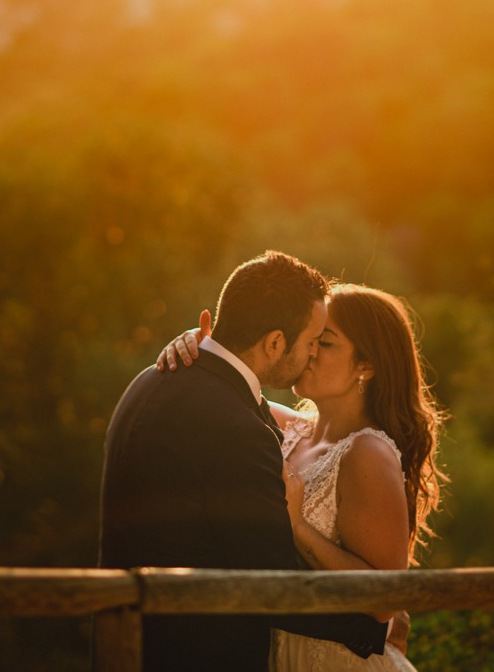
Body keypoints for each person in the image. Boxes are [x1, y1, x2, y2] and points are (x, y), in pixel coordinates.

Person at [98, 251, 388, 672]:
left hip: (120, 649)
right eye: (311, 342)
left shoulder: (148, 381)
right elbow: (271, 587)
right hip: (197, 658)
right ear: (274, 342)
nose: (311, 355)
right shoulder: (237, 431)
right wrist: (373, 627)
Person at [159, 282, 447, 672]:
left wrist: (297, 528)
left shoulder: (368, 454)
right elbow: (231, 381)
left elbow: (385, 603)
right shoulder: (288, 426)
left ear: (366, 365)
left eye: (324, 343)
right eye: (310, 340)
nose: (308, 352)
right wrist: (195, 346)